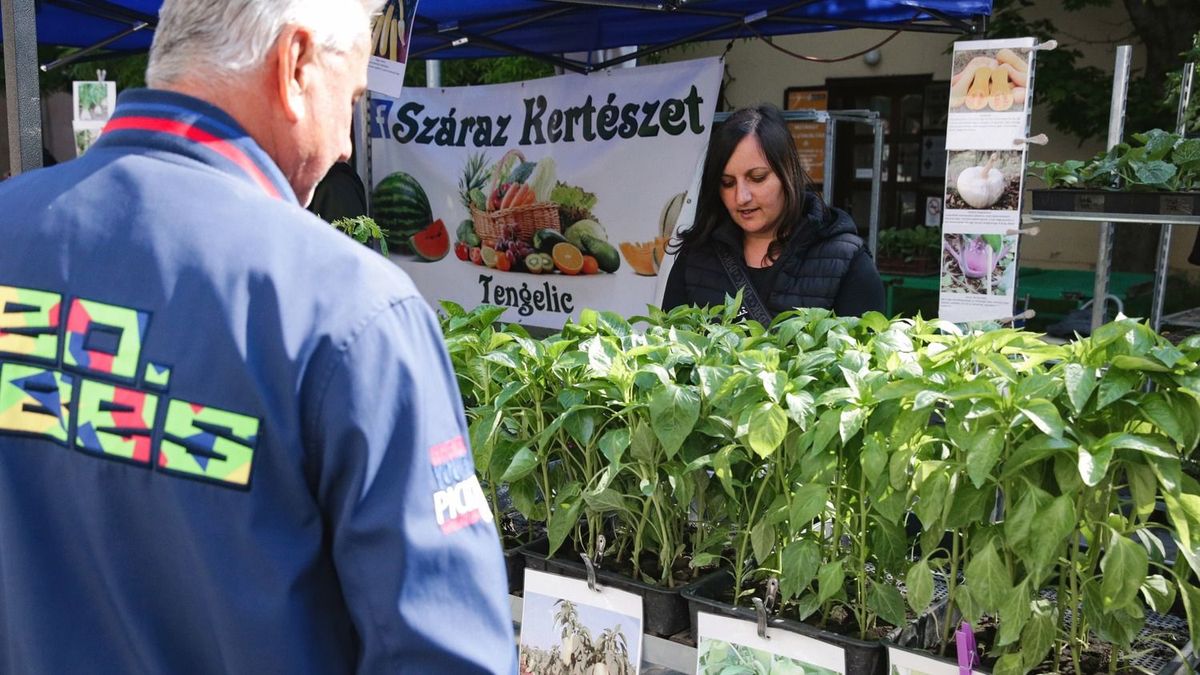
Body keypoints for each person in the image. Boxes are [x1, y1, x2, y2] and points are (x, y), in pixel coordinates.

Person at [0, 2, 516, 674]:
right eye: (352, 97)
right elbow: (450, 657)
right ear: (296, 64)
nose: (345, 146)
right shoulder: (350, 310)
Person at [661, 104, 885, 320]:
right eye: (727, 183)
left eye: (757, 178)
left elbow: (866, 353)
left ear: (789, 172)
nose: (742, 197)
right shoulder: (696, 255)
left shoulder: (845, 259)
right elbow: (668, 349)